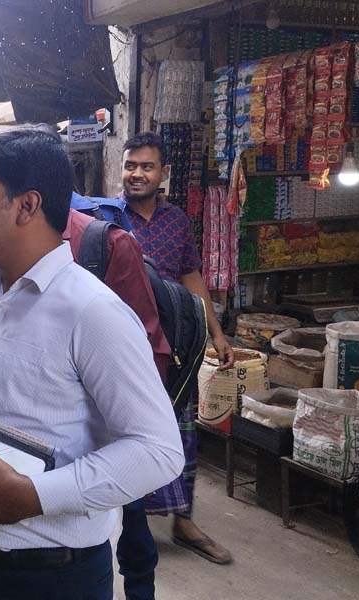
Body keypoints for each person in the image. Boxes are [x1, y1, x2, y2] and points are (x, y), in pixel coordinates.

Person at [0, 124, 184, 600]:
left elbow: (158, 452)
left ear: (27, 205)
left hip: (49, 576)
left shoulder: (93, 312)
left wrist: (33, 497)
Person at [120, 131, 235, 566]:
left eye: (146, 166)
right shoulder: (108, 217)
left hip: (175, 345)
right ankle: (123, 527)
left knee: (181, 432)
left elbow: (191, 278)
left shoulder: (176, 222)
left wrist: (217, 333)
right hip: (124, 344)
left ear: (163, 173)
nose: (137, 174)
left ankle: (183, 521)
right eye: (131, 165)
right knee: (123, 432)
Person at [66, 206, 171, 600]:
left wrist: (136, 423)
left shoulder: (105, 241)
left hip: (112, 418)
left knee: (133, 521)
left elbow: (147, 339)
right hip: (58, 428)